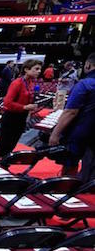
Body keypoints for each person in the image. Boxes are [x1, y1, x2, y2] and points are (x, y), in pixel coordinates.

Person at [49, 52, 95, 180]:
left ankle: (66, 190)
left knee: (71, 163)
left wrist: (56, 133)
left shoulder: (85, 84)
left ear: (88, 65)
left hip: (81, 131)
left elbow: (71, 112)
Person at [0, 59, 42, 157]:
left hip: (22, 116)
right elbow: (7, 103)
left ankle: (4, 162)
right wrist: (24, 107)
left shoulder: (31, 83)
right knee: (4, 143)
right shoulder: (17, 83)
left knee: (13, 143)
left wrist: (31, 105)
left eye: (40, 69)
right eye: (36, 69)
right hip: (11, 116)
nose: (39, 71)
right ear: (26, 70)